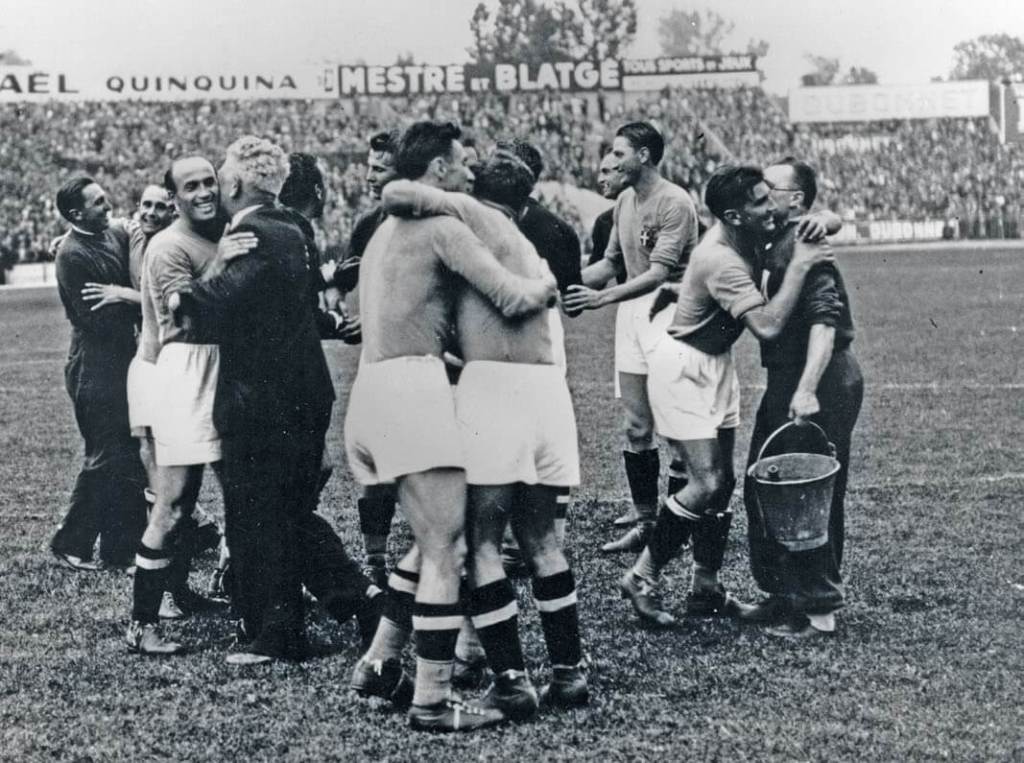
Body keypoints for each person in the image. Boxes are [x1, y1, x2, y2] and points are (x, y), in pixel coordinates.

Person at [345, 121, 557, 732]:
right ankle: (433, 702)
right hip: (412, 392)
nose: (469, 174)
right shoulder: (441, 227)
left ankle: (381, 662)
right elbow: (514, 298)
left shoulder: (384, 230)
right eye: (461, 163)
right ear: (438, 169)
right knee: (448, 550)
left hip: (372, 391)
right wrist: (547, 282)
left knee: (431, 533)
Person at [382, 153, 589, 720]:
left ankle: (511, 681)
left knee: (483, 545)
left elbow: (397, 194)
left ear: (475, 186)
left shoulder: (469, 214)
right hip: (548, 392)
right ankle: (569, 674)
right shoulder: (526, 242)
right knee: (544, 540)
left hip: (493, 391)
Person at [170, 137, 380, 665]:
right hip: (302, 392)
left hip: (261, 398)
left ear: (236, 184)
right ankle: (361, 601)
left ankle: (282, 633)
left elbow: (211, 309)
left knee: (257, 515)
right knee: (288, 513)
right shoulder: (294, 227)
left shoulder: (249, 232)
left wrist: (191, 288)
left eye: (219, 177)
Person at [618, 164, 836, 628]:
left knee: (726, 482)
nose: (770, 206)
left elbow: (827, 218)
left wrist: (827, 220)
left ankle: (706, 587)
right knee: (706, 483)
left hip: (716, 364)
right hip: (683, 368)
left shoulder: (748, 231)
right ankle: (642, 577)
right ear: (735, 216)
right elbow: (769, 325)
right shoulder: (722, 258)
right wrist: (800, 265)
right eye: (760, 201)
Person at [125, 157, 252, 655]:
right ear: (174, 197)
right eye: (191, 186)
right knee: (175, 504)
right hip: (185, 372)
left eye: (209, 183)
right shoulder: (168, 245)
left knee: (243, 497)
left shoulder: (226, 228)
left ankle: (244, 601)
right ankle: (141, 624)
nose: (203, 192)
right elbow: (179, 322)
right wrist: (222, 265)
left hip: (226, 372)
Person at [740, 158, 862, 639]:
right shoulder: (776, 237)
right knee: (764, 485)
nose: (760, 193)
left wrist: (808, 387)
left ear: (795, 200)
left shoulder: (807, 243)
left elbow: (824, 323)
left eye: (770, 187)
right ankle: (782, 595)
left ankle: (819, 610)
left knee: (808, 494)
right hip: (787, 378)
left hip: (820, 378)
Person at [563, 122, 698, 554]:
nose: (613, 161)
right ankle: (645, 523)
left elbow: (658, 274)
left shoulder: (675, 202)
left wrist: (601, 298)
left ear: (643, 156)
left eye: (619, 153)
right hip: (633, 316)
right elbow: (608, 263)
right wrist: (559, 284)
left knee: (677, 428)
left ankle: (679, 526)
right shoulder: (623, 200)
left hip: (671, 312)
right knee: (636, 426)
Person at [50, 177, 148, 571]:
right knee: (109, 455)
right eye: (99, 202)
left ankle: (116, 549)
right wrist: (140, 303)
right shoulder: (73, 255)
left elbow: (132, 226)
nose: (109, 206)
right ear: (77, 214)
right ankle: (72, 542)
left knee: (121, 454)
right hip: (96, 365)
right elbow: (100, 320)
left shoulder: (111, 232)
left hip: (118, 360)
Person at [587, 152, 626, 287]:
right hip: (630, 305)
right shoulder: (604, 222)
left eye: (606, 172)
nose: (600, 180)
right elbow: (598, 282)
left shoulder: (665, 207)